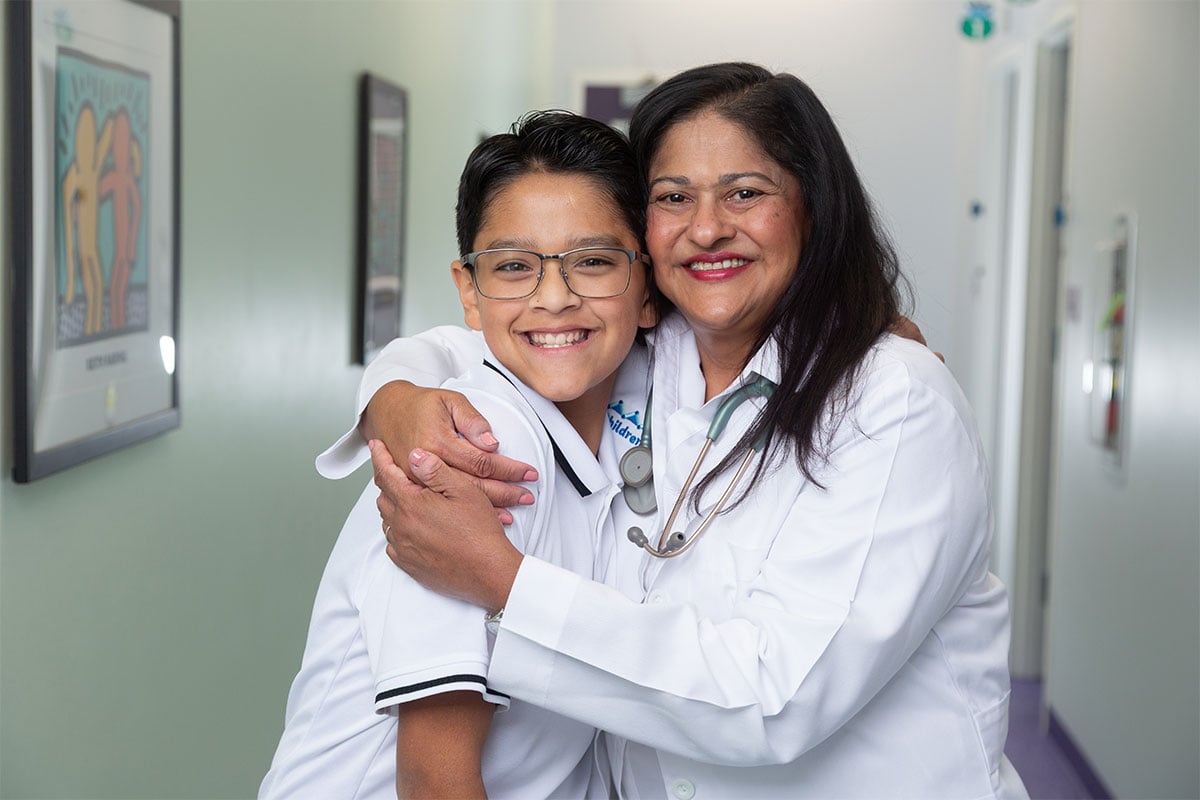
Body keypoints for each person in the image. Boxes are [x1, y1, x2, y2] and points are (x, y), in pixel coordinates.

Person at [357, 63, 1028, 799]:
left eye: (746, 192)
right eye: (673, 197)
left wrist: (501, 582)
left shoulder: (893, 401)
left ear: (814, 208)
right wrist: (394, 397)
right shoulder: (648, 358)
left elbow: (777, 700)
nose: (707, 228)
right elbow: (503, 334)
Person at [260, 111, 657, 799]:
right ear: (470, 292)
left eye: (592, 261)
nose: (555, 297)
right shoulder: (477, 451)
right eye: (514, 267)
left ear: (646, 282)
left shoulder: (629, 413)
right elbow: (435, 776)